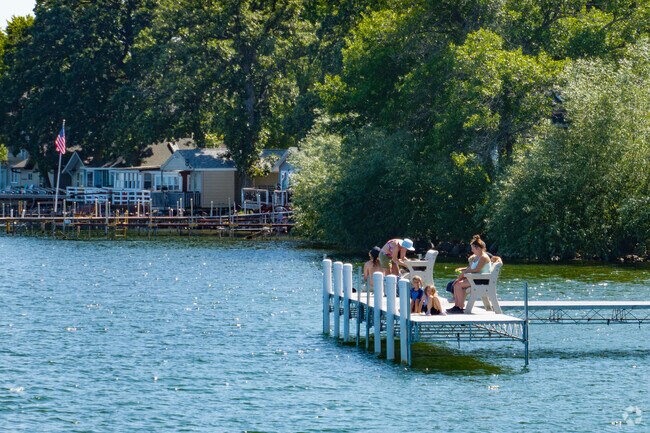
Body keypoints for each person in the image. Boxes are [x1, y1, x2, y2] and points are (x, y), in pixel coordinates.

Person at [447, 235, 492, 314]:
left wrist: (464, 274)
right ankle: (457, 306)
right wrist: (463, 274)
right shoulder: (476, 257)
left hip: (481, 280)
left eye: (472, 248)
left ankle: (460, 307)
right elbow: (470, 268)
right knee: (456, 284)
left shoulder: (484, 257)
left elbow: (476, 269)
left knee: (459, 285)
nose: (471, 250)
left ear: (477, 248)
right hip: (474, 278)